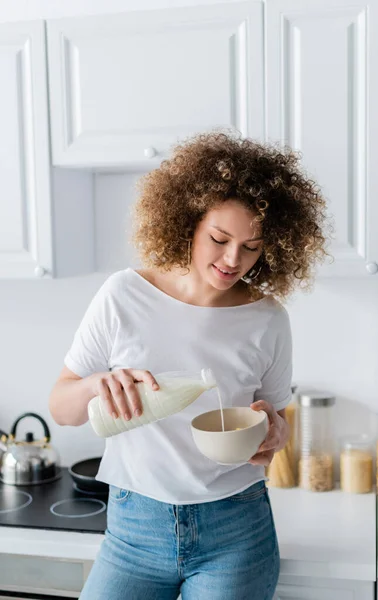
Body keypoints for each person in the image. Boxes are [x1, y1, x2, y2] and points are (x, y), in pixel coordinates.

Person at [49, 131, 329, 600]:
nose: (232, 260)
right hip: (134, 528)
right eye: (219, 238)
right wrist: (99, 385)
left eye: (252, 247)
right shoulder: (124, 295)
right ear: (188, 222)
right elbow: (61, 406)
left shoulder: (267, 319)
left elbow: (278, 420)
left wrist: (276, 434)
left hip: (235, 530)